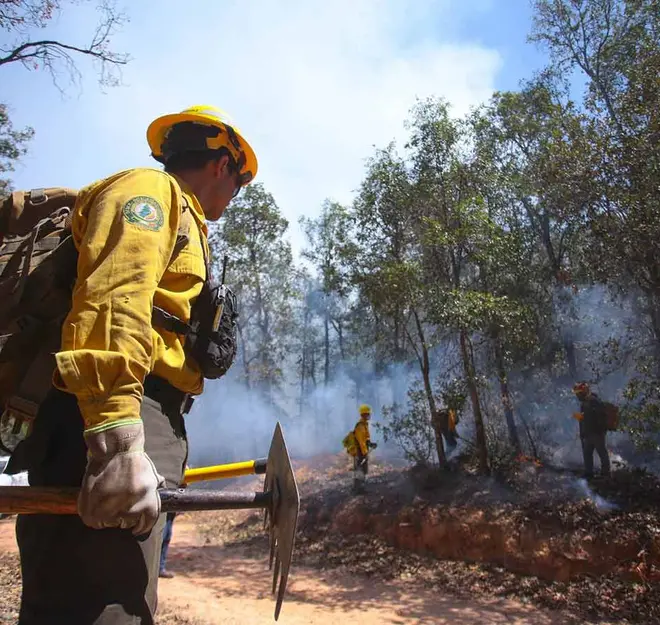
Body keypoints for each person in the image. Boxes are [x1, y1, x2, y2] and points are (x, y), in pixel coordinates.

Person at [13, 105, 258, 624]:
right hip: (116, 415)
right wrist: (117, 442)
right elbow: (113, 302)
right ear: (222, 166)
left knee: (98, 601)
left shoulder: (184, 217)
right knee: (103, 609)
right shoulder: (148, 192)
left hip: (138, 416)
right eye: (241, 180)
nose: (237, 195)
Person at [572, 382, 611, 479]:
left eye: (578, 393)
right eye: (577, 393)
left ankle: (606, 473)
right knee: (587, 454)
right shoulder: (584, 403)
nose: (577, 396)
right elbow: (583, 420)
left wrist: (601, 430)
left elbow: (601, 416)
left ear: (583, 392)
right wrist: (582, 433)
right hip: (588, 434)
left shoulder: (594, 401)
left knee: (602, 453)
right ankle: (589, 473)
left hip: (597, 433)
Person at [353, 403, 377, 493]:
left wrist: (370, 444)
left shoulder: (364, 424)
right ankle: (358, 489)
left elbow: (366, 439)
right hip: (359, 452)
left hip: (362, 451)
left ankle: (360, 488)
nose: (369, 415)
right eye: (368, 413)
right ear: (364, 414)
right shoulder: (360, 426)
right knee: (360, 470)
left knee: (363, 469)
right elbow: (361, 442)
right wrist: (364, 453)